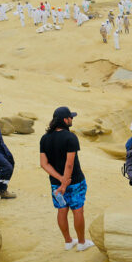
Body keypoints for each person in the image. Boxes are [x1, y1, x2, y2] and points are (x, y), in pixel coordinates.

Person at [39, 106, 94, 252]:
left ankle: (68, 241)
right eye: (71, 117)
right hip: (75, 181)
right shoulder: (70, 137)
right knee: (77, 210)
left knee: (62, 210)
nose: (72, 119)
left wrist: (60, 180)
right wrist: (65, 181)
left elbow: (44, 164)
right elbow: (69, 164)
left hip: (55, 183)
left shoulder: (45, 138)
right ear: (65, 120)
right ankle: (82, 242)